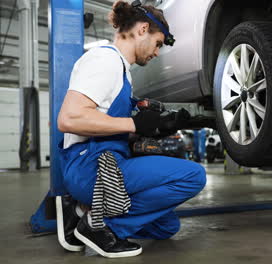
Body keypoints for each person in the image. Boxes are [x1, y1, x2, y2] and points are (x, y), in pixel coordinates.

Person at [54, 0, 206, 258]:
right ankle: (97, 227)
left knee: (167, 226)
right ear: (143, 29)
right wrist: (134, 123)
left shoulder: (122, 71)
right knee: (193, 176)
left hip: (108, 161)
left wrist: (157, 127)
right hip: (91, 167)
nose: (157, 52)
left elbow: (108, 124)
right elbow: (69, 119)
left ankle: (81, 211)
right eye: (158, 43)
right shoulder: (104, 60)